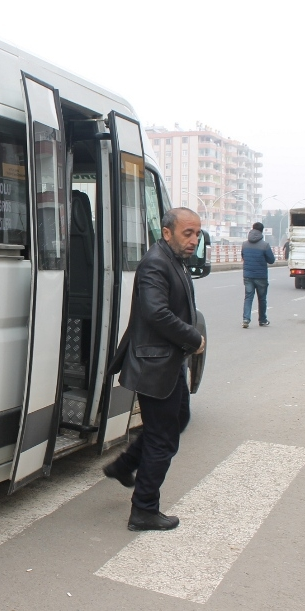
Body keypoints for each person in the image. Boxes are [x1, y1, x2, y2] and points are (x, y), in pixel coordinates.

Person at [103, 207, 206, 532]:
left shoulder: (173, 259)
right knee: (163, 439)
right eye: (187, 233)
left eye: (197, 234)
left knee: (178, 420)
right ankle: (144, 509)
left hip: (168, 362)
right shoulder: (156, 263)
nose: (193, 240)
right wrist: (194, 338)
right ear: (167, 232)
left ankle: (124, 466)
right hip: (154, 364)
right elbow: (155, 313)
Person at [241, 221, 276, 328]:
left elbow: (243, 257)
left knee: (248, 298)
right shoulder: (265, 245)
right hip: (261, 276)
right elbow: (271, 260)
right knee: (262, 299)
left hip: (248, 275)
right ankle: (262, 320)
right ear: (261, 231)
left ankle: (246, 319)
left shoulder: (244, 244)